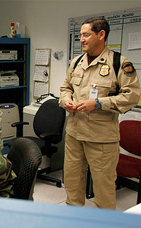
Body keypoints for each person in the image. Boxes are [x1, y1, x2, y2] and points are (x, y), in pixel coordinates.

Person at [59, 17, 140, 209]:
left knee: (103, 192)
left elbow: (132, 97)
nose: (82, 39)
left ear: (101, 35)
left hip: (101, 139)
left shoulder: (119, 63)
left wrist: (97, 104)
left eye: (86, 35)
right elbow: (65, 87)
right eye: (80, 35)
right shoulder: (77, 62)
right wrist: (66, 101)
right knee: (72, 187)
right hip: (74, 134)